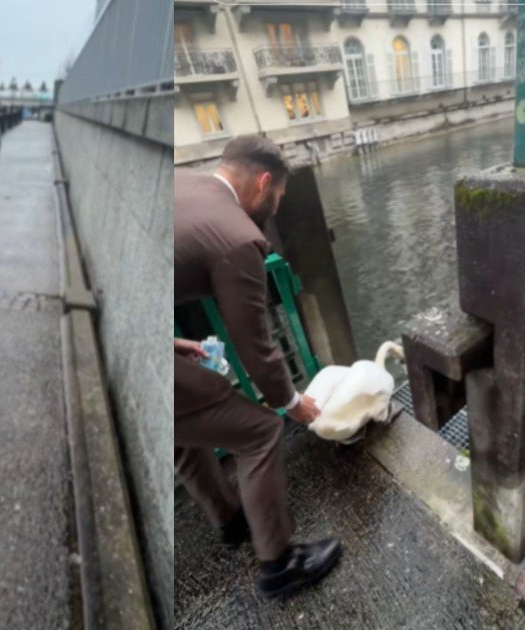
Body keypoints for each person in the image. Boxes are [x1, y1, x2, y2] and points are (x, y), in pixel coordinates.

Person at [175, 134, 341, 599]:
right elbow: (256, 345)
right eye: (278, 197)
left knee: (182, 430)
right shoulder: (238, 236)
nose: (275, 207)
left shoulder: (179, 183)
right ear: (264, 182)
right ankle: (280, 566)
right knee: (259, 431)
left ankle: (230, 522)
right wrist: (291, 403)